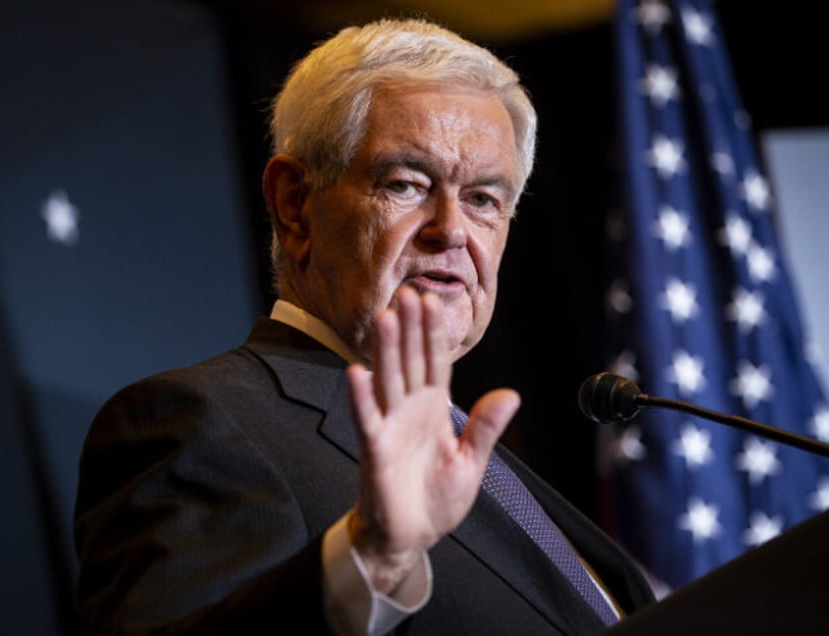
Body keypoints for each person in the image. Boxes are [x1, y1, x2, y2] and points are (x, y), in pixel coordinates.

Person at [73, 17, 656, 635]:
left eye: (484, 199)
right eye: (406, 184)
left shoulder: (486, 462)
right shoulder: (200, 425)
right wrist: (372, 562)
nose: (452, 229)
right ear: (294, 205)